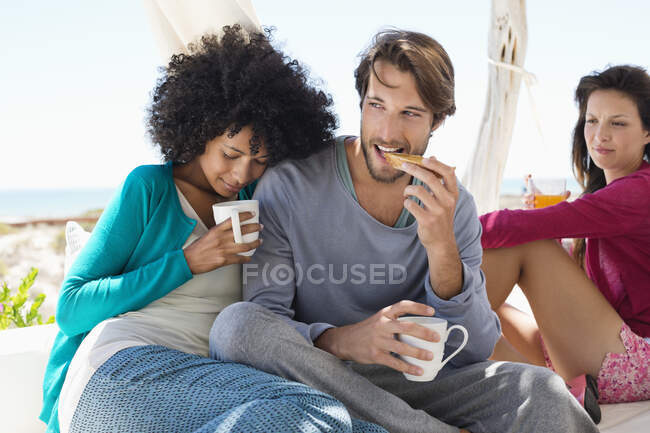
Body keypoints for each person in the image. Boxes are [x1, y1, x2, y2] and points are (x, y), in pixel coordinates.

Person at [210, 29, 599, 433]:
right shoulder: (290, 185)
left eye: (410, 113)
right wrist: (344, 340)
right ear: (361, 103)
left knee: (543, 389)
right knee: (235, 326)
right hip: (320, 371)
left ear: (438, 120)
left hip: (420, 384)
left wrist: (443, 249)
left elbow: (474, 349)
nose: (389, 133)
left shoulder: (454, 205)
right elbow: (264, 321)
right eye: (377, 106)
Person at [40, 26, 387, 433]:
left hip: (215, 384)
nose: (241, 172)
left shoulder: (264, 198)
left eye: (259, 160)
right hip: (123, 367)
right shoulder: (150, 189)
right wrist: (189, 261)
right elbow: (72, 308)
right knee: (310, 411)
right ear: (200, 129)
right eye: (231, 153)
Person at [480, 65, 650, 422]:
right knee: (472, 302)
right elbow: (590, 290)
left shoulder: (640, 190)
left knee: (525, 244)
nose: (600, 135)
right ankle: (553, 392)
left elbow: (527, 229)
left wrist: (445, 229)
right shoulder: (609, 194)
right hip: (600, 348)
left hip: (636, 360)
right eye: (592, 121)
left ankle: (425, 363)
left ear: (647, 131)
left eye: (617, 123)